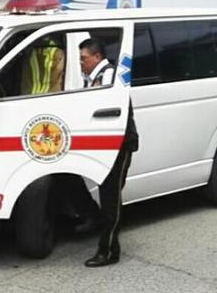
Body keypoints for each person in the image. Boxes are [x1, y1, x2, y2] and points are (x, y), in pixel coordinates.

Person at [78, 38, 139, 268]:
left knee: (111, 198)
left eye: (84, 59)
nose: (81, 63)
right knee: (85, 186)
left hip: (119, 144)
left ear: (96, 57)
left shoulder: (112, 76)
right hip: (103, 143)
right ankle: (94, 219)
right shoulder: (94, 77)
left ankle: (109, 251)